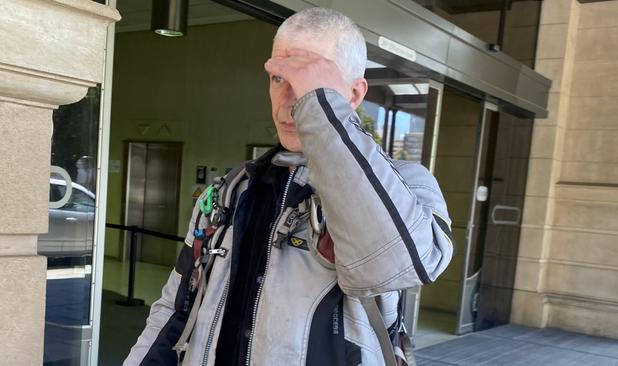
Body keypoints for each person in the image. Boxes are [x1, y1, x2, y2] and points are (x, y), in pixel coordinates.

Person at [124, 7, 453, 366]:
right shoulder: (230, 191)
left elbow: (400, 264)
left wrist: (322, 116)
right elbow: (174, 309)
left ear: (354, 95)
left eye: (311, 81)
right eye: (280, 79)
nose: (290, 100)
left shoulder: (408, 183)